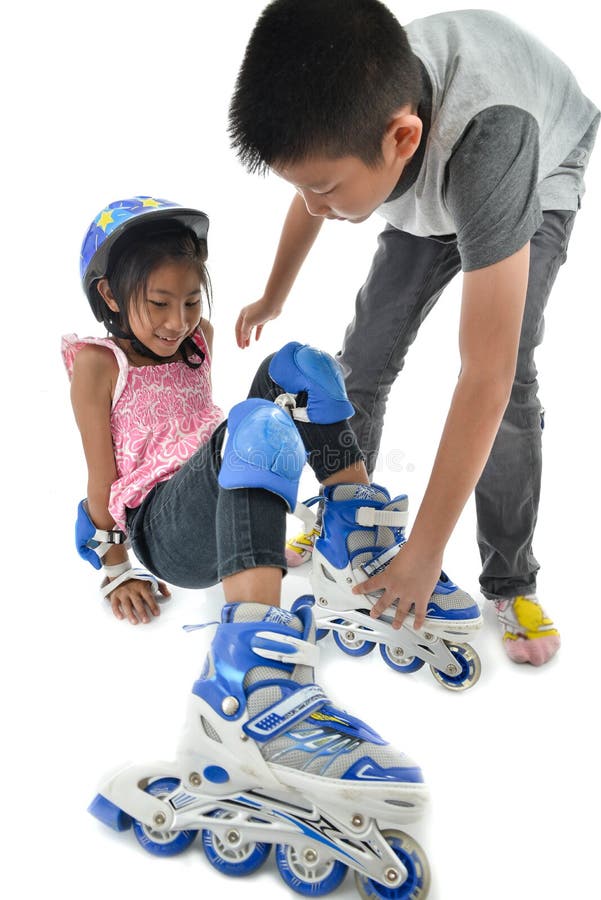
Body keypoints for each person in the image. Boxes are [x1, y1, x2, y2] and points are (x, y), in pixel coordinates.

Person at [65, 196, 476, 894]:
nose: (177, 322)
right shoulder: (97, 365)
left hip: (214, 493)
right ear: (108, 294)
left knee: (301, 367)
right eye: (158, 303)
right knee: (254, 423)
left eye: (191, 300)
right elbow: (101, 483)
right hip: (163, 528)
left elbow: (207, 425)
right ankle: (250, 691)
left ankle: (352, 552)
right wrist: (113, 569)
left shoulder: (199, 339)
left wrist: (245, 527)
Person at [228, 0, 599, 666]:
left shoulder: (492, 149)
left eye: (325, 188)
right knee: (362, 357)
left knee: (510, 372)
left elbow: (482, 376)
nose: (314, 205)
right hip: (426, 171)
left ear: (399, 139)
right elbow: (312, 180)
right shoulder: (354, 107)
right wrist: (272, 294)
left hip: (533, 174)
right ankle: (345, 512)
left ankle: (511, 582)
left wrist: (422, 558)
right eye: (303, 187)